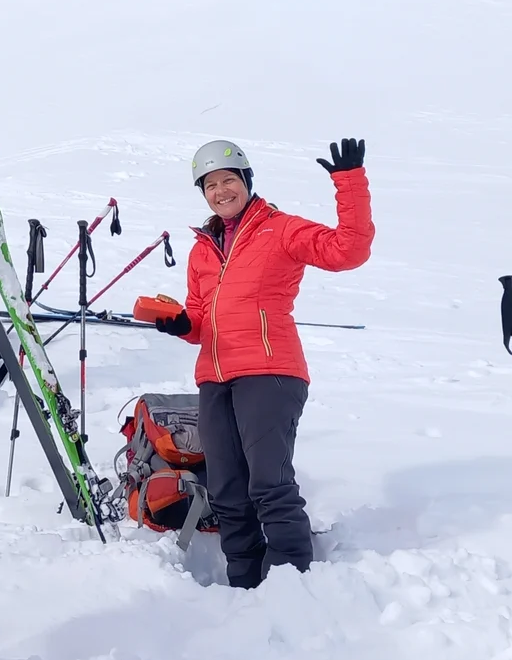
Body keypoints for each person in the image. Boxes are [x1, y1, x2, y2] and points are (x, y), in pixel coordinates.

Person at [154, 137, 373, 587]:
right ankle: (244, 584)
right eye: (210, 184)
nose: (221, 191)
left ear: (247, 181)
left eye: (229, 179)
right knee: (228, 491)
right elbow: (199, 317)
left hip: (270, 372)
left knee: (269, 486)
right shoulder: (202, 247)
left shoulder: (281, 229)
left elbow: (347, 251)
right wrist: (179, 323)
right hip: (215, 377)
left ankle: (292, 584)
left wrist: (349, 182)